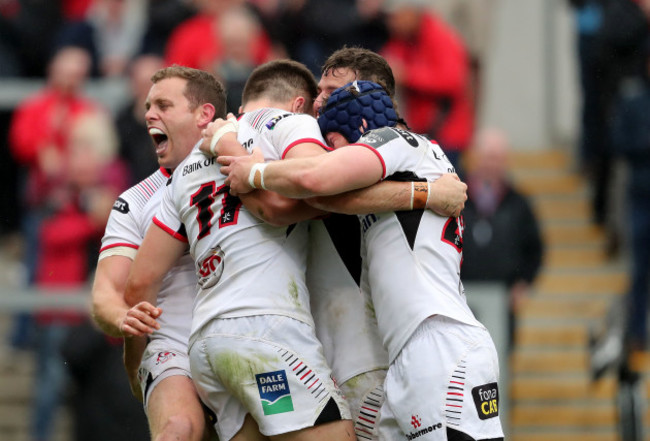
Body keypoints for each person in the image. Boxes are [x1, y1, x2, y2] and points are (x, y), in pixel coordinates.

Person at [201, 48, 467, 440]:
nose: (319, 102)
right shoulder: (330, 150)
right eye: (318, 92)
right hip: (318, 351)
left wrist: (238, 152)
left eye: (332, 91)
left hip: (365, 355)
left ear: (369, 98)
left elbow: (314, 193)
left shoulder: (374, 154)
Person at [121, 59, 354, 441]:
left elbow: (139, 285)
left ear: (241, 107)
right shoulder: (287, 124)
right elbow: (320, 181)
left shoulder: (187, 168)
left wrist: (136, 368)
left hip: (207, 347)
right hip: (265, 328)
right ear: (299, 103)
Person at [91, 66, 226, 441]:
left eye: (164, 105)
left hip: (244, 334)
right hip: (173, 345)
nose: (149, 113)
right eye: (148, 105)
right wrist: (125, 319)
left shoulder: (245, 171)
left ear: (204, 115)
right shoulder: (134, 201)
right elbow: (105, 293)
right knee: (179, 429)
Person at [461, 127, 544, 351]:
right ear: (474, 156)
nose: (492, 164)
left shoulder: (519, 203)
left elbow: (535, 248)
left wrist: (524, 283)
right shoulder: (454, 197)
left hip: (502, 302)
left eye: (498, 158)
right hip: (459, 303)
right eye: (488, 157)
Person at [381, 0, 474, 176]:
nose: (391, 23)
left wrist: (407, 75)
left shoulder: (440, 36)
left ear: (411, 12)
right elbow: (387, 61)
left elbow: (452, 81)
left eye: (396, 16)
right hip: (423, 135)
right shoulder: (406, 39)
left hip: (446, 136)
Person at [115, 53, 165, 185]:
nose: (147, 92)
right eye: (142, 85)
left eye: (151, 85)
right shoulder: (123, 119)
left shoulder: (176, 116)